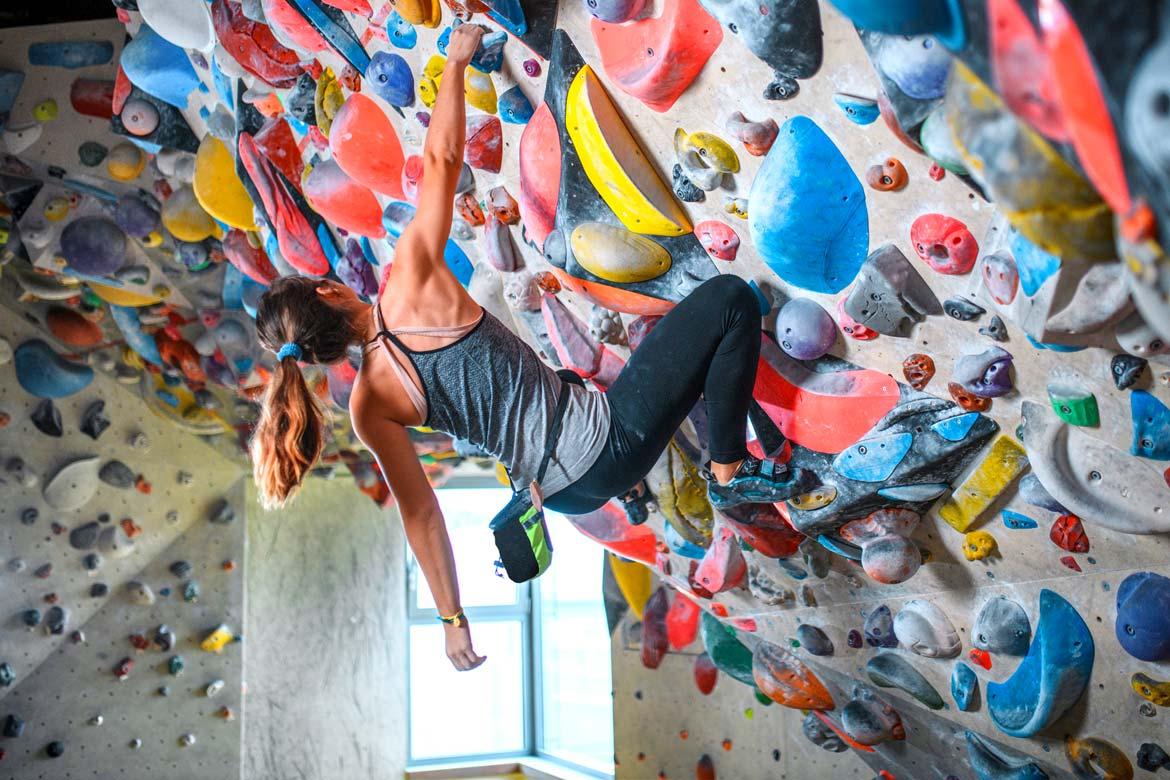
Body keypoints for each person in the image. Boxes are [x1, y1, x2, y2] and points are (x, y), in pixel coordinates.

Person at [250, 24, 814, 671]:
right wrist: (458, 65)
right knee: (731, 302)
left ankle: (657, 482)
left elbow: (422, 517)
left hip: (558, 496)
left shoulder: (368, 405)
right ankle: (731, 476)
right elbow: (439, 162)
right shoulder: (406, 283)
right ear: (326, 289)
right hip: (601, 448)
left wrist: (451, 620)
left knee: (666, 355)